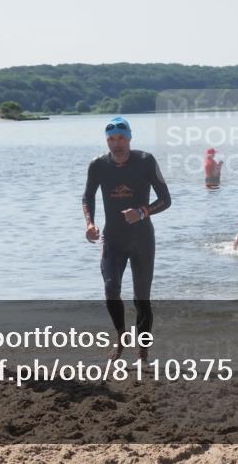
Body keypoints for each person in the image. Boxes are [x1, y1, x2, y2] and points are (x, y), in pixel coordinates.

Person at [82, 116, 171, 360]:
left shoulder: (145, 161)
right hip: (113, 239)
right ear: (106, 140)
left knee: (141, 297)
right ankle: (121, 336)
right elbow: (87, 196)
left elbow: (166, 199)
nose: (116, 143)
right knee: (111, 289)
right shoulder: (98, 165)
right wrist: (89, 223)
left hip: (142, 239)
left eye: (121, 138)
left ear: (129, 138)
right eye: (111, 139)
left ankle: (143, 352)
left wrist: (142, 212)